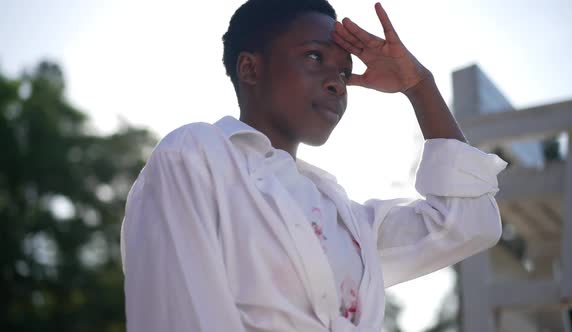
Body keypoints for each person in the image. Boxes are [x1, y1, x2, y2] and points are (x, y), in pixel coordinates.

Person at [120, 0, 508, 331]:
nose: (337, 84)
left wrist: (420, 87)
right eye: (314, 56)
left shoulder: (345, 218)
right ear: (250, 69)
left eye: (343, 72)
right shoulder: (195, 155)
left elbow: (469, 222)